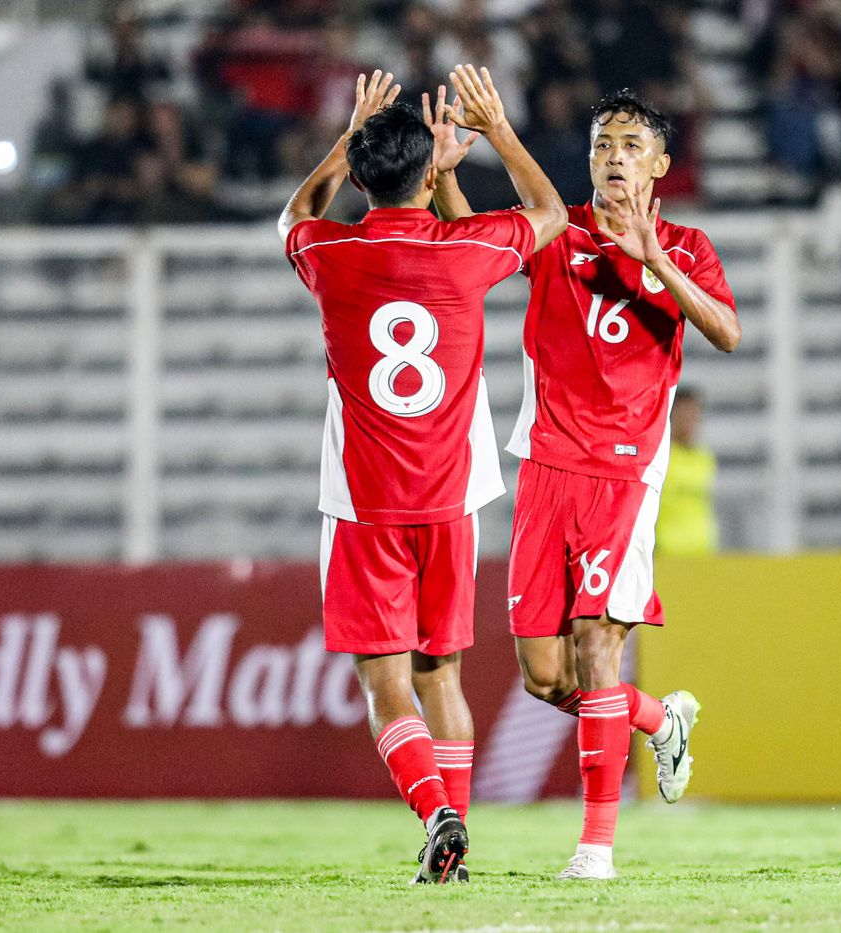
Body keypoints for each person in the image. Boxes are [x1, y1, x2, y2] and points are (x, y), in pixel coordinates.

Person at [435, 89, 741, 880]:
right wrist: (441, 174)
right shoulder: (557, 227)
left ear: (661, 164)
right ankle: (658, 719)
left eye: (633, 144)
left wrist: (655, 257)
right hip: (543, 469)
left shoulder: (688, 243)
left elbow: (729, 333)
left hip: (623, 475)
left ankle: (595, 850)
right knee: (546, 676)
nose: (615, 156)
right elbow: (471, 240)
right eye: (605, 142)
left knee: (598, 646)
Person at [280, 66, 566, 883]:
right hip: (452, 500)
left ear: (364, 175)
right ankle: (456, 838)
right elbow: (546, 215)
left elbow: (293, 214)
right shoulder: (466, 250)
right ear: (430, 176)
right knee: (443, 672)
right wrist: (494, 137)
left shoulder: (329, 253)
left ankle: (435, 812)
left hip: (363, 503)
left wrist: (344, 140)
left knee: (384, 681)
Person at [655, 387, 718, 556]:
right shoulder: (659, 457)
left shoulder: (704, 458)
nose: (689, 422)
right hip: (665, 555)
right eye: (683, 416)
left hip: (702, 554)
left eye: (693, 416)